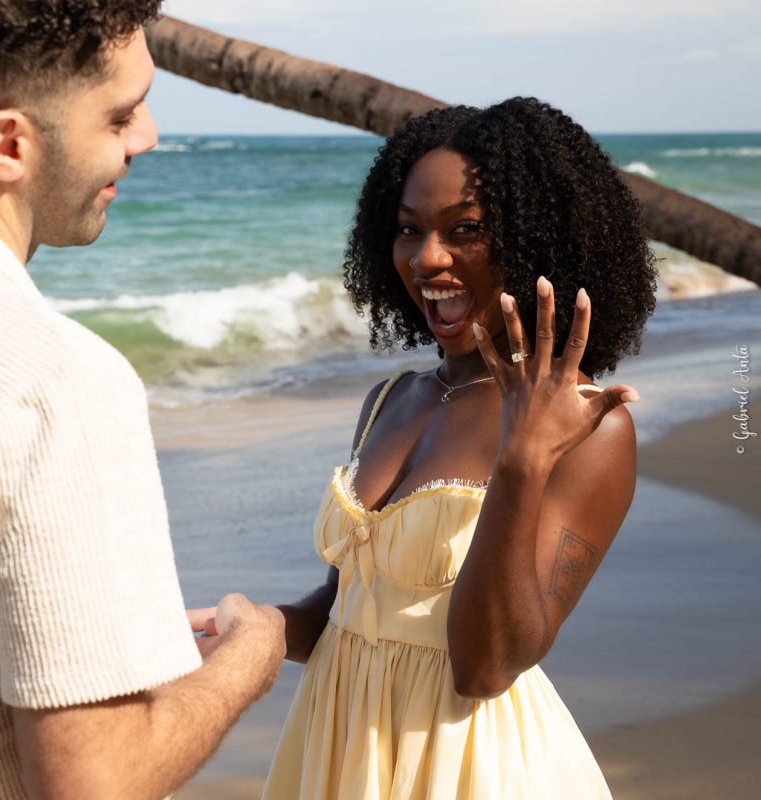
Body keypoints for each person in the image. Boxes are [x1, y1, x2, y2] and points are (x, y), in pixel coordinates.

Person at [247, 99, 656, 798]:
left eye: (464, 229)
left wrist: (521, 464)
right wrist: (250, 630)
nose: (428, 257)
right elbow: (352, 612)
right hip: (340, 753)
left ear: (537, 241)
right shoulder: (391, 399)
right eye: (409, 231)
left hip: (470, 769)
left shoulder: (589, 428)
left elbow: (486, 665)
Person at [0, 3, 285, 799]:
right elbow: (93, 783)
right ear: (8, 145)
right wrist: (252, 655)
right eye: (122, 114)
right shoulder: (55, 381)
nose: (147, 138)